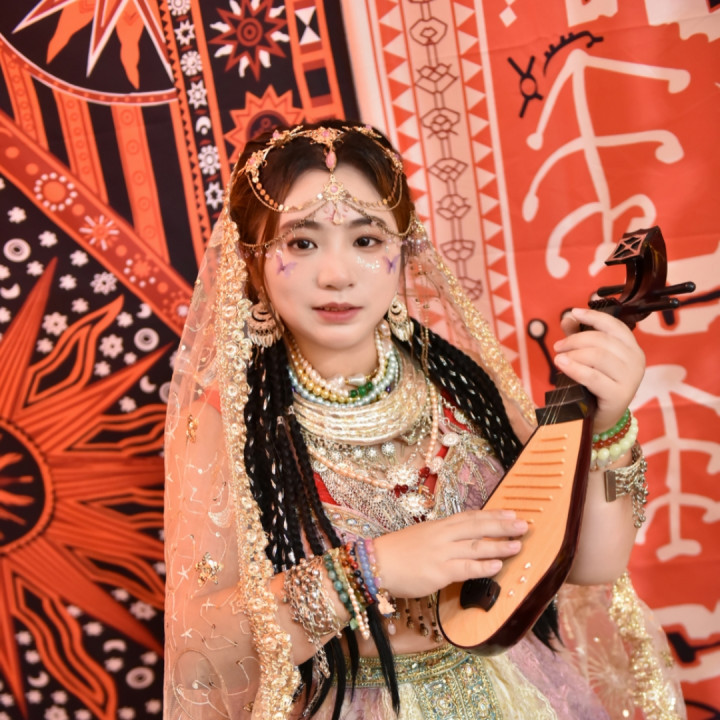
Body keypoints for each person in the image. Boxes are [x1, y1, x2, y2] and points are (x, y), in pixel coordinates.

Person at [163, 120, 684, 719]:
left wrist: (610, 427)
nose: (337, 274)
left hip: (520, 695)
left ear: (404, 250)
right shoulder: (227, 427)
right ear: (252, 261)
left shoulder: (461, 387)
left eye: (366, 240)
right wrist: (370, 570)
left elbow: (592, 564)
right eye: (302, 243)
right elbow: (200, 653)